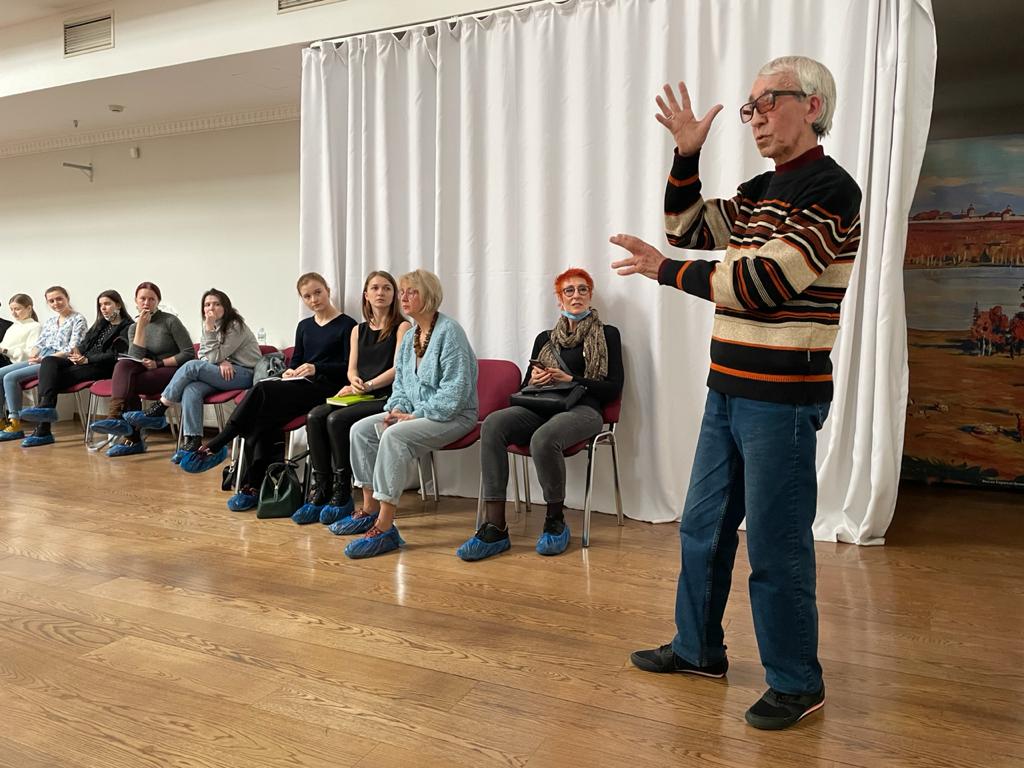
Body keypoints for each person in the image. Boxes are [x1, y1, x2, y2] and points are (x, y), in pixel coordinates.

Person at [609, 56, 862, 731]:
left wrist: (666, 272)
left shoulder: (832, 191)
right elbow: (687, 227)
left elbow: (761, 284)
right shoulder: (759, 192)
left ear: (812, 105)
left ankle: (797, 683)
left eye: (766, 102)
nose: (754, 118)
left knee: (776, 545)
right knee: (702, 525)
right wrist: (686, 155)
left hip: (782, 397)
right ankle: (698, 650)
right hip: (728, 389)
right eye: (749, 108)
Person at [456, 268, 623, 561]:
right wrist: (535, 380)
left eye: (582, 289)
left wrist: (572, 380)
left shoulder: (607, 334)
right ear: (559, 299)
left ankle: (555, 522)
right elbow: (524, 388)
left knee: (544, 438)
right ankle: (495, 527)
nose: (576, 295)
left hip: (585, 409)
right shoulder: (545, 339)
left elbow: (613, 388)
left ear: (590, 295)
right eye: (569, 290)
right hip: (543, 406)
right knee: (493, 424)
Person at [180, 273, 357, 513]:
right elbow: (296, 360)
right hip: (300, 385)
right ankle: (253, 484)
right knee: (263, 415)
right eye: (307, 296)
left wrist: (317, 368)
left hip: (327, 388)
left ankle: (222, 442)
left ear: (328, 290)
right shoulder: (304, 326)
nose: (314, 299)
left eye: (318, 292)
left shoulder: (347, 325)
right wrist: (290, 371)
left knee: (262, 389)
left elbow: (348, 368)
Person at [337, 269, 477, 559]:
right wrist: (398, 408)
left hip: (453, 416)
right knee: (360, 430)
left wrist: (417, 415)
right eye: (402, 292)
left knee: (394, 436)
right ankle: (369, 508)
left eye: (411, 292)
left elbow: (455, 392)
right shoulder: (411, 335)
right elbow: (401, 384)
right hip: (414, 413)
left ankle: (385, 527)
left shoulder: (450, 332)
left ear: (429, 295)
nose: (403, 297)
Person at [292, 271, 411, 526]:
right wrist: (354, 381)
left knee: (336, 420)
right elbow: (351, 368)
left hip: (387, 396)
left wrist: (367, 386)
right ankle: (321, 488)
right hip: (360, 393)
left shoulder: (403, 327)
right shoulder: (358, 330)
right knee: (315, 416)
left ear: (394, 295)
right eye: (375, 288)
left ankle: (342, 492)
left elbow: (398, 369)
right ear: (366, 295)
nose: (381, 293)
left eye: (387, 288)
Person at [122, 288, 261, 459]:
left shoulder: (235, 325)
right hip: (221, 372)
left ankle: (160, 407)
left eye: (216, 304)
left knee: (191, 366)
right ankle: (193, 441)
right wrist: (220, 360)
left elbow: (211, 357)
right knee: (191, 389)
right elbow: (202, 354)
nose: (211, 308)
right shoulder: (210, 325)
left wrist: (217, 354)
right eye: (207, 305)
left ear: (226, 307)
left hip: (244, 372)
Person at [87, 282, 195, 457]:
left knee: (128, 383)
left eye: (151, 299)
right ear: (136, 301)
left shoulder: (170, 321)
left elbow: (189, 353)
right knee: (123, 365)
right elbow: (134, 357)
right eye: (142, 299)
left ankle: (132, 438)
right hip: (147, 372)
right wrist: (141, 327)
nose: (146, 303)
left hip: (172, 371)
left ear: (158, 301)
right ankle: (116, 419)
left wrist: (159, 363)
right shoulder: (133, 327)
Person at [19, 290, 131, 446]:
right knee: (49, 361)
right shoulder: (101, 323)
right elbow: (84, 345)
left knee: (50, 379)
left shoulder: (127, 326)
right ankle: (45, 410)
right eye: (100, 305)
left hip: (103, 367)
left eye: (107, 304)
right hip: (83, 361)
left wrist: (87, 359)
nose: (103, 308)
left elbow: (116, 355)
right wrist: (76, 353)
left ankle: (43, 428)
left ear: (118, 305)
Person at [0, 287, 86, 441]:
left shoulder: (78, 319)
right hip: (42, 357)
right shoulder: (51, 321)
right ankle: (2, 420)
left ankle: (14, 423)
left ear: (67, 298)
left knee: (10, 378)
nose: (55, 303)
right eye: (51, 301)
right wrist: (34, 354)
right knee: (1, 373)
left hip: (58, 360)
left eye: (59, 299)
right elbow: (39, 344)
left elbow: (72, 348)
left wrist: (45, 358)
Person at [0, 294, 41, 377]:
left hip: (16, 363)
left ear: (29, 308)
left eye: (17, 309)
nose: (13, 313)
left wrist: (5, 351)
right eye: (11, 309)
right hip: (4, 359)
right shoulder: (13, 326)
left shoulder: (35, 326)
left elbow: (31, 354)